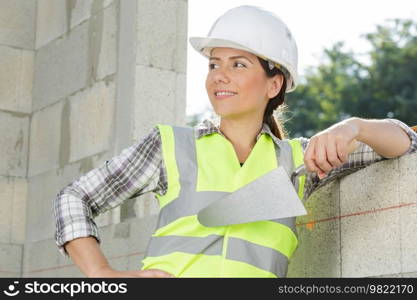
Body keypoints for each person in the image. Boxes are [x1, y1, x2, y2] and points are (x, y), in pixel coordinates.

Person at [54, 5, 417, 278]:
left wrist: (354, 127)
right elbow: (74, 198)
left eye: (238, 65)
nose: (219, 77)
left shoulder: (300, 162)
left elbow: (405, 143)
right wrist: (104, 277)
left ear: (274, 84)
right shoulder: (170, 146)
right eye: (214, 64)